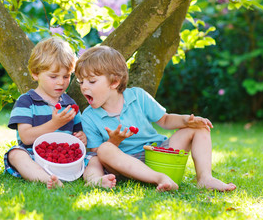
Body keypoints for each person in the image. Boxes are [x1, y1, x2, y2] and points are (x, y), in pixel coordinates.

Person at [74, 45, 237, 192]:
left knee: (200, 128)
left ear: (115, 82)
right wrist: (114, 141)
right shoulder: (88, 116)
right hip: (126, 165)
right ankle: (156, 178)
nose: (84, 87)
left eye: (92, 81)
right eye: (81, 82)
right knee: (103, 150)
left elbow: (165, 120)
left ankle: (205, 178)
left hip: (156, 152)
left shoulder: (138, 96)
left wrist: (186, 120)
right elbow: (97, 152)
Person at [3, 37, 115, 189]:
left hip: (67, 159)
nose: (61, 82)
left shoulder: (70, 104)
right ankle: (46, 179)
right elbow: (26, 137)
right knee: (15, 154)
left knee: (94, 158)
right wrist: (54, 124)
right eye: (53, 77)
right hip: (35, 156)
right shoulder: (26, 101)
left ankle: (95, 180)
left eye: (66, 76)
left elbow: (78, 135)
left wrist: (82, 138)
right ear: (35, 74)